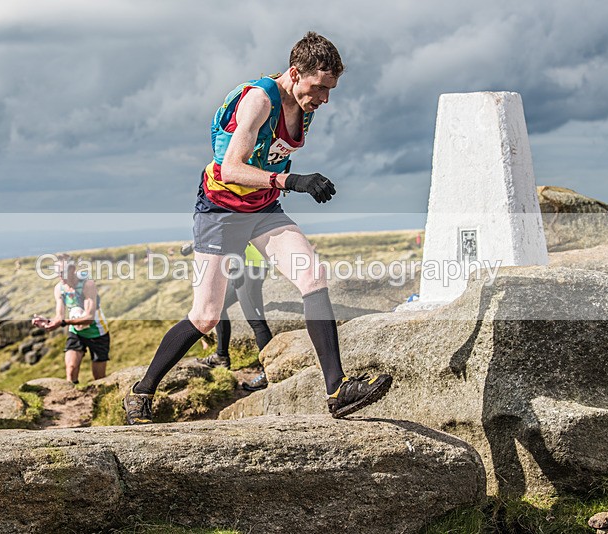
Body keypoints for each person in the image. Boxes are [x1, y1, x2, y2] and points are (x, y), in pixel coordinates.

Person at [123, 32, 392, 425]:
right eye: (319, 87)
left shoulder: (304, 104)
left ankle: (337, 389)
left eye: (331, 89)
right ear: (295, 73)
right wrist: (293, 181)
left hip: (263, 208)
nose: (325, 98)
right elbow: (230, 168)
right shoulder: (259, 100)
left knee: (313, 275)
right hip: (221, 210)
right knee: (206, 316)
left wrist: (282, 185)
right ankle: (142, 392)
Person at [195, 242, 272, 391]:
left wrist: (238, 262)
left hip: (249, 265)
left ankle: (268, 372)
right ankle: (221, 356)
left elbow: (238, 232)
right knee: (218, 306)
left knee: (256, 321)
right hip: (242, 265)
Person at [32, 255, 110, 383]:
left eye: (62, 272)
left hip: (98, 333)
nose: (60, 276)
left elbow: (89, 318)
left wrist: (63, 323)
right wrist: (47, 322)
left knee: (99, 378)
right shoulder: (59, 289)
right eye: (57, 272)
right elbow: (59, 316)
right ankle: (73, 400)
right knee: (71, 369)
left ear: (72, 269)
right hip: (76, 332)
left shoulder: (88, 284)